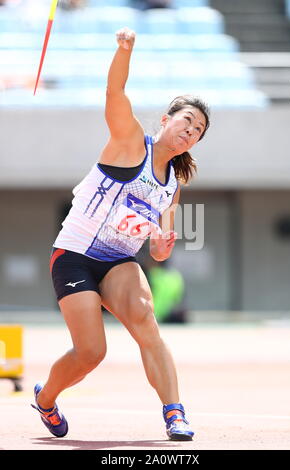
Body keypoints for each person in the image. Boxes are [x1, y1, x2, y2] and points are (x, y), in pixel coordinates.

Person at [31, 27, 210, 441]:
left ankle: (174, 413)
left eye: (199, 129)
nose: (191, 130)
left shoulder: (172, 186)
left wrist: (163, 244)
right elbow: (115, 91)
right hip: (74, 255)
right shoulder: (131, 144)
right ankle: (46, 399)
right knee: (92, 352)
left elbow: (161, 252)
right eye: (187, 120)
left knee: (147, 323)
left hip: (119, 262)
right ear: (167, 120)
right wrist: (124, 49)